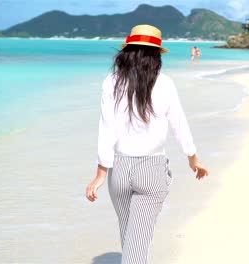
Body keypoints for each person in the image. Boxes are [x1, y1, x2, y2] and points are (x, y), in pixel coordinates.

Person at [86, 24, 208, 264]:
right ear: (156, 56)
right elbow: (179, 124)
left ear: (128, 51)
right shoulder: (164, 83)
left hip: (118, 172)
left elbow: (106, 128)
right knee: (136, 246)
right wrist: (192, 158)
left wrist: (101, 173)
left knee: (129, 238)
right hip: (151, 170)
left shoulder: (111, 82)